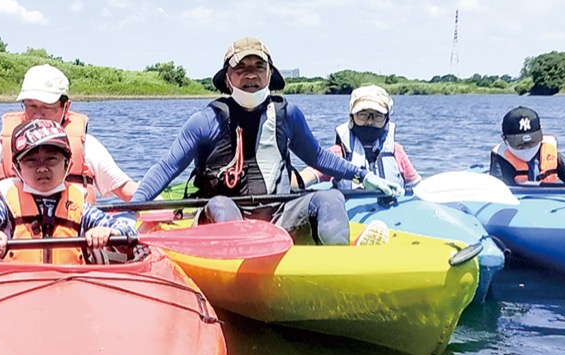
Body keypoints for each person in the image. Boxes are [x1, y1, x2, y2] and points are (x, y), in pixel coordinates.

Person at [129, 36, 403, 246]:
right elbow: (166, 168)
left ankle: (342, 262)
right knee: (221, 205)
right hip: (221, 219)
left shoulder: (288, 115)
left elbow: (317, 157)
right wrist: (131, 212)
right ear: (227, 77)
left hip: (280, 215)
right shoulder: (205, 120)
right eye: (241, 67)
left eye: (259, 66)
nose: (251, 74)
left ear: (270, 74)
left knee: (330, 197)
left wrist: (363, 175)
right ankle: (243, 263)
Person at [0, 118, 137, 264]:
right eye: (31, 161)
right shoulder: (4, 208)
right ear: (17, 169)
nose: (42, 168)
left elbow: (126, 229)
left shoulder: (81, 208)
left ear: (68, 164)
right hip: (16, 286)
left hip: (70, 286)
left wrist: (108, 233)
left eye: (51, 159)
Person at [0, 64, 137, 202]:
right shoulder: (2, 144)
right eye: (31, 105)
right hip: (17, 240)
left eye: (47, 107)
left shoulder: (86, 146)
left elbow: (126, 190)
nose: (38, 115)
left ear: (66, 107)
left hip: (75, 238)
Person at [301, 84, 421, 190]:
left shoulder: (396, 151)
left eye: (377, 116)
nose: (369, 122)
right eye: (363, 115)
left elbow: (417, 186)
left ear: (387, 120)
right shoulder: (338, 153)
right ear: (351, 118)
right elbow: (306, 177)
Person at [489, 106, 565, 185]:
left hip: (548, 202)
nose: (526, 148)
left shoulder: (550, 152)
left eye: (532, 141)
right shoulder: (500, 158)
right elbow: (498, 191)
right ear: (505, 139)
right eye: (519, 143)